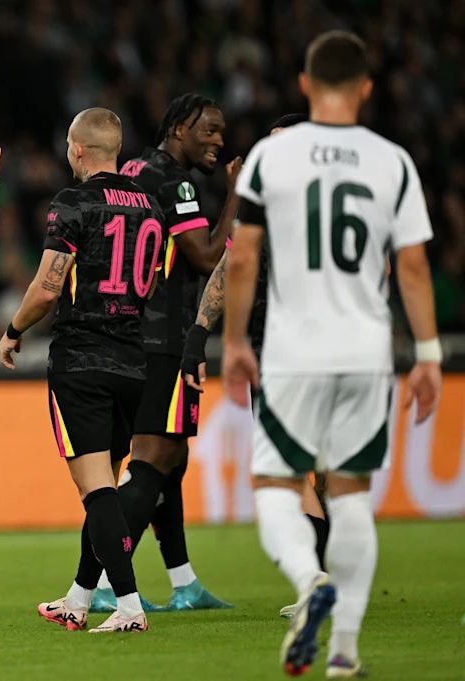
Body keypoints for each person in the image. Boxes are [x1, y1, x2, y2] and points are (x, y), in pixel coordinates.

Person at [222, 31, 441, 678]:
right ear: (367, 87)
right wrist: (427, 352)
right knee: (350, 499)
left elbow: (243, 260)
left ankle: (307, 576)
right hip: (366, 351)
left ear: (304, 86)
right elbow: (415, 267)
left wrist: (235, 341)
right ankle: (344, 650)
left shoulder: (269, 159)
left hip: (292, 349)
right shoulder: (392, 160)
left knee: (276, 487)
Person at [0, 107, 164, 634]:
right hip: (134, 360)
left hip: (82, 360)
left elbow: (48, 287)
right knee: (106, 489)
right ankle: (77, 598)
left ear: (77, 150)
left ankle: (130, 606)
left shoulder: (73, 202)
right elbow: (152, 285)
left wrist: (13, 330)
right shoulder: (153, 208)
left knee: (96, 492)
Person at [180, 112, 331, 619]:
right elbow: (231, 264)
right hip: (278, 348)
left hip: (315, 347)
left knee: (308, 470)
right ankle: (321, 581)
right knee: (303, 469)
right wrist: (199, 332)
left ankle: (318, 578)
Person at [91, 94, 237, 613]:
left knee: (170, 460)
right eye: (209, 130)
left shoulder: (132, 169)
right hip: (165, 338)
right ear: (178, 128)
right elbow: (204, 256)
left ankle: (183, 582)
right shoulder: (177, 182)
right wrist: (237, 196)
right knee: (158, 456)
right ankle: (104, 582)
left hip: (129, 331)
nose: (218, 140)